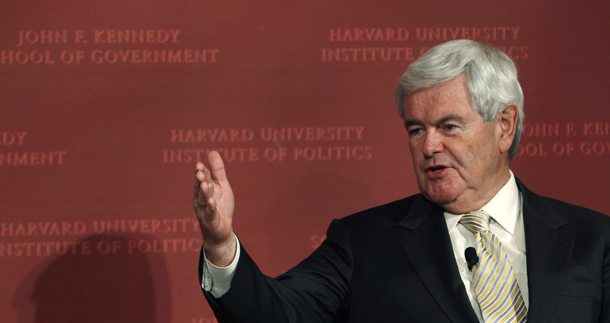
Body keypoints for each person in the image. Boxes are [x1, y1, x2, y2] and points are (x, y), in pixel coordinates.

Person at [193, 39, 610, 322]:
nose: (428, 146)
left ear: (504, 126)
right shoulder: (363, 243)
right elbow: (278, 314)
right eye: (415, 129)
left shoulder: (594, 241)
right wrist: (221, 245)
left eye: (448, 126)